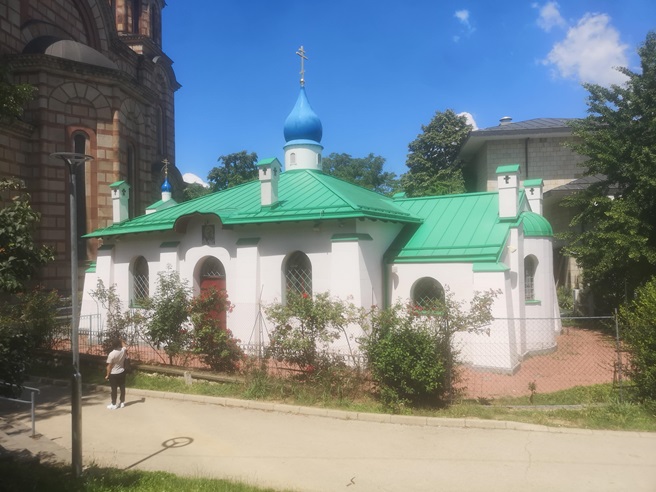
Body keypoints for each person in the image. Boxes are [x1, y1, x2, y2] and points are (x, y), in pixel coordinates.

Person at [105, 339, 128, 409]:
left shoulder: (111, 354)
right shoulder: (123, 350)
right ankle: (122, 402)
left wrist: (107, 375)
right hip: (122, 371)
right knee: (122, 387)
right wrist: (121, 340)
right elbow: (125, 346)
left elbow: (109, 366)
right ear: (119, 344)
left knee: (114, 389)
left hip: (113, 373)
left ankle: (114, 404)